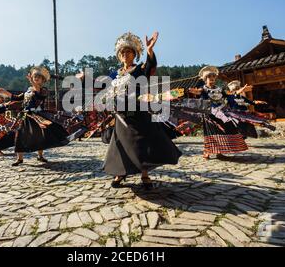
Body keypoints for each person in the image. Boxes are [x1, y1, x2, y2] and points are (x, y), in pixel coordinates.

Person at [103, 31, 182, 189]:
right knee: (121, 143)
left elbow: (151, 67)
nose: (125, 54)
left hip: (138, 112)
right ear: (119, 56)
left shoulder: (140, 69)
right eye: (123, 52)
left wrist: (150, 51)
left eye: (129, 52)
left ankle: (144, 174)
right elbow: (108, 92)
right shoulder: (114, 74)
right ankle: (121, 173)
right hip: (121, 114)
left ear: (135, 54)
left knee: (141, 143)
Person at [0, 67, 70, 167]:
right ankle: (19, 158)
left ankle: (40, 156)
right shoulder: (28, 91)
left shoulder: (43, 90)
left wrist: (31, 81)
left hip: (37, 116)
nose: (36, 78)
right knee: (19, 135)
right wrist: (5, 92)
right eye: (34, 76)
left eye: (38, 77)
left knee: (40, 135)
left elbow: (37, 91)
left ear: (43, 80)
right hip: (25, 116)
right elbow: (17, 97)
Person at [189, 66, 248, 160]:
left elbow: (230, 96)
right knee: (210, 133)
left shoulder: (219, 89)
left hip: (220, 113)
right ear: (205, 79)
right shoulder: (203, 89)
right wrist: (193, 91)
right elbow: (198, 92)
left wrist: (240, 92)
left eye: (213, 78)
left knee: (222, 131)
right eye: (209, 78)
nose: (212, 79)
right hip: (209, 114)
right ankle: (207, 151)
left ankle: (219, 152)